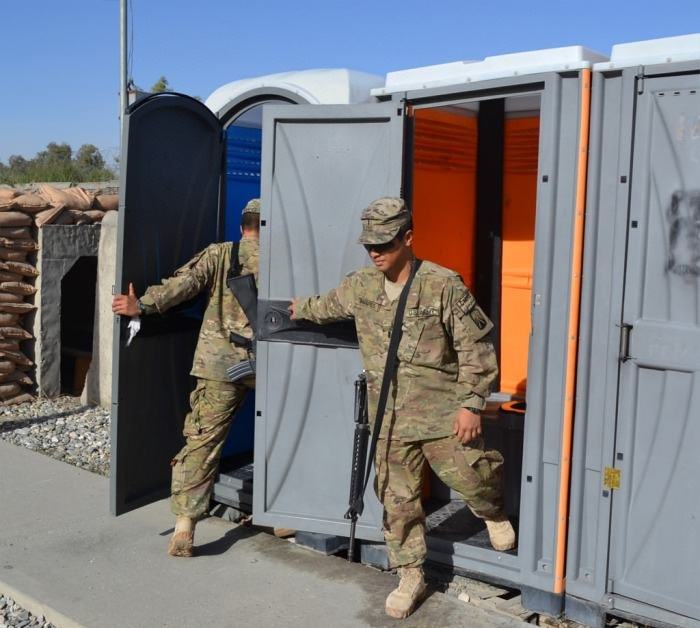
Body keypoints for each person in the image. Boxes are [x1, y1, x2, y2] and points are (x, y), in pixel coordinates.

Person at [290, 197, 516, 619]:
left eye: (385, 244)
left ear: (408, 238)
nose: (375, 253)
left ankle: (492, 510)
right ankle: (410, 574)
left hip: (443, 413)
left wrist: (471, 404)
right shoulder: (361, 286)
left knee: (474, 475)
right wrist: (294, 309)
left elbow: (477, 347)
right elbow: (324, 307)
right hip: (389, 418)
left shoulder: (443, 285)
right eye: (369, 246)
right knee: (398, 500)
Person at [112, 198, 261, 558]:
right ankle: (289, 516)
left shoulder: (222, 254)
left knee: (202, 443)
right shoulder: (295, 257)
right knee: (292, 436)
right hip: (277, 363)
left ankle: (185, 527)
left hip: (220, 365)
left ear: (243, 226)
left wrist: (141, 305)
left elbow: (183, 285)